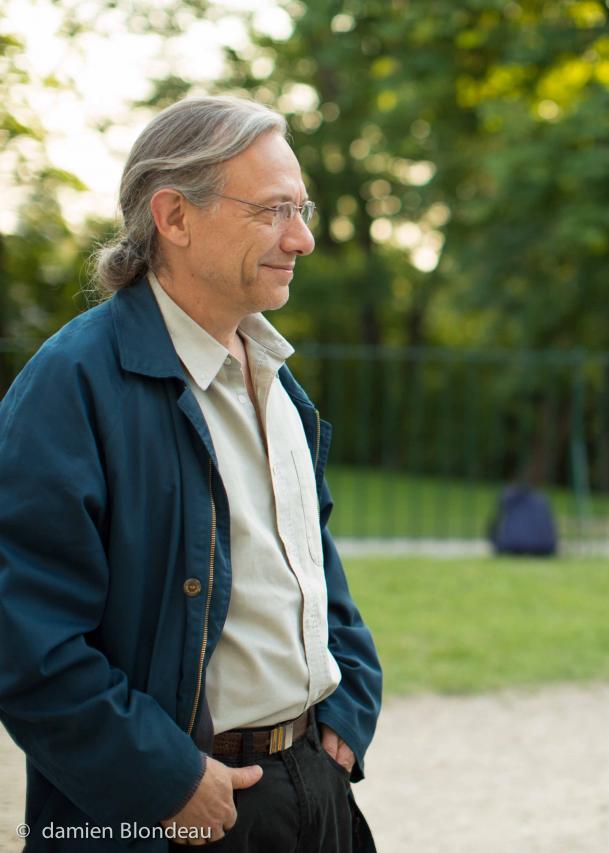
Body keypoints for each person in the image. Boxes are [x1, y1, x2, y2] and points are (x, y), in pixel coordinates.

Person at [0, 96, 381, 851]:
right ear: (174, 216)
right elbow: (24, 640)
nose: (302, 238)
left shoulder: (276, 378)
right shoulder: (71, 384)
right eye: (274, 211)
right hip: (181, 813)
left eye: (301, 208)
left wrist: (351, 696)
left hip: (315, 789)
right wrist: (164, 780)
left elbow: (311, 563)